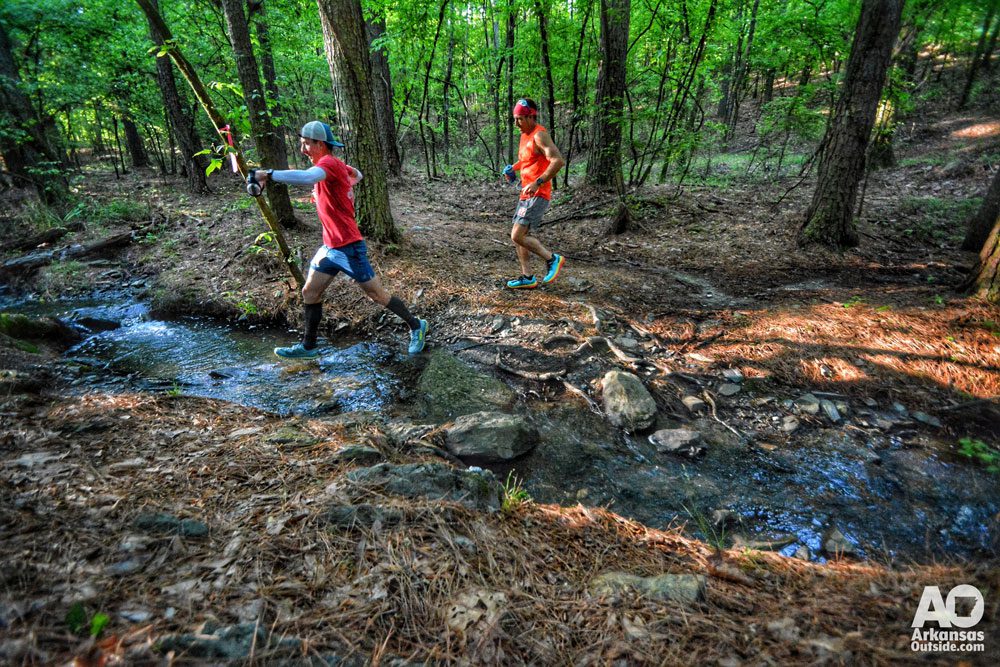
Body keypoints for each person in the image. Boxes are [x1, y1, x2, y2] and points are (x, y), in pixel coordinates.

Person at [254, 121, 428, 359]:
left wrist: (268, 174)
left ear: (320, 144)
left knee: (377, 295)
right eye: (301, 144)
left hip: (349, 247)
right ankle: (308, 347)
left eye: (306, 144)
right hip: (329, 247)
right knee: (309, 293)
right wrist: (346, 180)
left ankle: (417, 325)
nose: (303, 149)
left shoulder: (327, 164)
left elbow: (306, 178)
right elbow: (358, 174)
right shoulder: (333, 167)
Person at [502, 98, 566, 289]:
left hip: (538, 193)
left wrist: (538, 182)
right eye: (515, 119)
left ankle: (552, 259)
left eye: (520, 119)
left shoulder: (540, 135)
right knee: (520, 234)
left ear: (531, 116)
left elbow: (557, 161)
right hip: (525, 193)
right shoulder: (525, 136)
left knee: (517, 235)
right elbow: (526, 160)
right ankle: (527, 276)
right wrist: (512, 168)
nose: (516, 124)